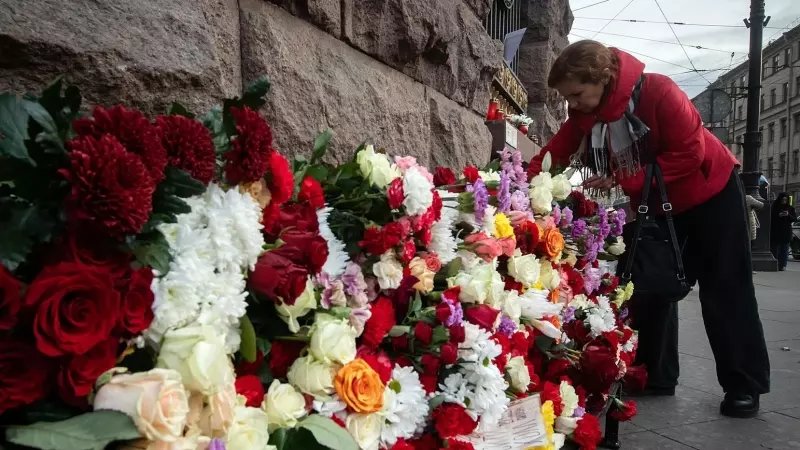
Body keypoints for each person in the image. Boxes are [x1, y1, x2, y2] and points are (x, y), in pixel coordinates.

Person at [527, 40, 770, 418]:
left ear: (603, 78)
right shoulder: (587, 114)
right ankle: (656, 375)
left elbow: (692, 153)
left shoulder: (659, 90)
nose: (573, 105)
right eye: (567, 99)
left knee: (725, 288)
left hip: (712, 193)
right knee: (648, 284)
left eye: (576, 94)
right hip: (659, 201)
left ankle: (743, 385)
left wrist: (627, 181)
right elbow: (555, 152)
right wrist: (519, 183)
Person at [770, 193, 796, 271]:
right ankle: (775, 264)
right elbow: (770, 218)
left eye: (786, 200)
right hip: (776, 231)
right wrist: (779, 215)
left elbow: (794, 219)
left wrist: (788, 215)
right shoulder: (774, 207)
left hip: (786, 231)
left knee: (784, 249)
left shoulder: (790, 208)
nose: (784, 201)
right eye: (783, 199)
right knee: (775, 249)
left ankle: (783, 265)